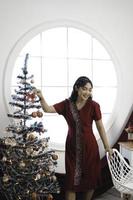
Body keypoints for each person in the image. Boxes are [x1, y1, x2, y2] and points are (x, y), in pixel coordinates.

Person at [34, 76, 112, 200]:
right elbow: (47, 109)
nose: (87, 92)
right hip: (72, 149)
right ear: (77, 88)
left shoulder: (94, 105)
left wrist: (107, 147)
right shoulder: (66, 104)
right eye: (84, 89)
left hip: (90, 148)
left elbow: (100, 127)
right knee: (71, 184)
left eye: (90, 90)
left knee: (90, 180)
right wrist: (41, 97)